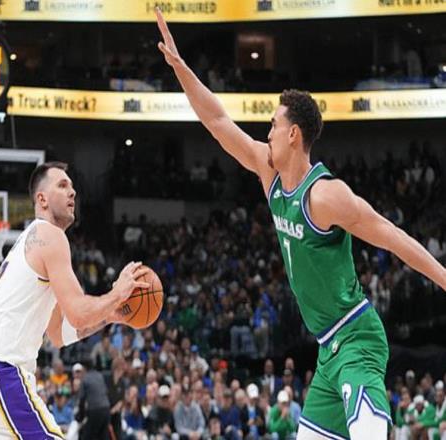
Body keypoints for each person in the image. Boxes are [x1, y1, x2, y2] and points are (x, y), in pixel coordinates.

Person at [155, 9, 446, 440]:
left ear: (294, 135)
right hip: (328, 351)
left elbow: (393, 237)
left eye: (274, 124)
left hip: (357, 340)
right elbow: (217, 121)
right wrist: (181, 68)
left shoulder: (325, 196)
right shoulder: (268, 172)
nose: (267, 132)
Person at [0, 161, 150, 439]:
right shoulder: (50, 235)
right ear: (42, 199)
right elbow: (78, 313)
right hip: (0, 372)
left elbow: (58, 334)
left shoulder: (34, 240)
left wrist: (111, 316)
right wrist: (117, 293)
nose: (72, 192)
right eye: (62, 185)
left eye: (72, 186)